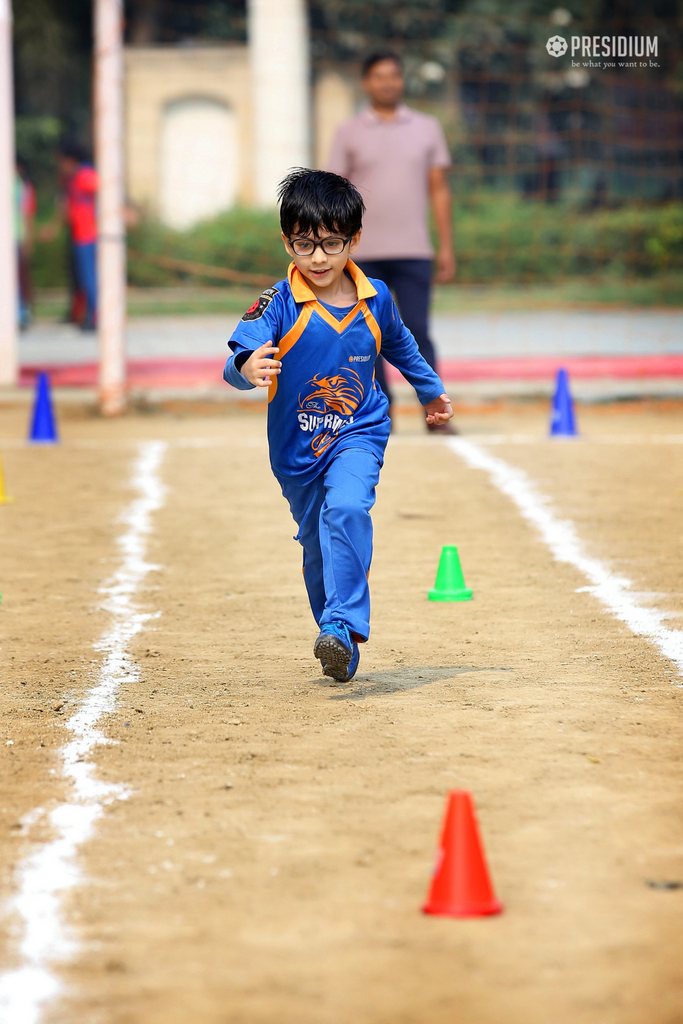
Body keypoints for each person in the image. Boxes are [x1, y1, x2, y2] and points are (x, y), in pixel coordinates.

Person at [223, 169, 452, 682]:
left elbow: (401, 346)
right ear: (288, 242)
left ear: (354, 240)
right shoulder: (276, 303)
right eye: (305, 245)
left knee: (346, 510)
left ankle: (343, 624)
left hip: (359, 429)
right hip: (295, 450)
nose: (319, 258)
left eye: (331, 243)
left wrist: (430, 391)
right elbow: (235, 359)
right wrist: (247, 368)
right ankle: (338, 644)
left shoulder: (377, 299)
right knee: (315, 544)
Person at [328, 50, 457, 433]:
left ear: (402, 81)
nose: (388, 82)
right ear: (366, 82)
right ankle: (378, 417)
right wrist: (335, 248)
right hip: (361, 253)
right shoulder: (348, 131)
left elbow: (439, 190)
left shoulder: (427, 127)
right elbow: (334, 193)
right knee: (366, 337)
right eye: (379, 76)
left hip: (415, 250)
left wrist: (446, 246)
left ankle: (435, 415)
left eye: (394, 76)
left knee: (418, 332)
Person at [41, 141, 98, 330]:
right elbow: (65, 208)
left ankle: (96, 315)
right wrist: (54, 228)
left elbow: (105, 193)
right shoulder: (72, 178)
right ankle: (81, 313)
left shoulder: (85, 175)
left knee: (90, 278)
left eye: (61, 161)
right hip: (79, 234)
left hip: (90, 235)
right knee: (80, 278)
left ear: (70, 159)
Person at [15, 160, 37, 329]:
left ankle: (23, 312)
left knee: (21, 277)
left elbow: (27, 213)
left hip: (17, 237)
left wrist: (28, 237)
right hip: (14, 237)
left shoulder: (22, 186)